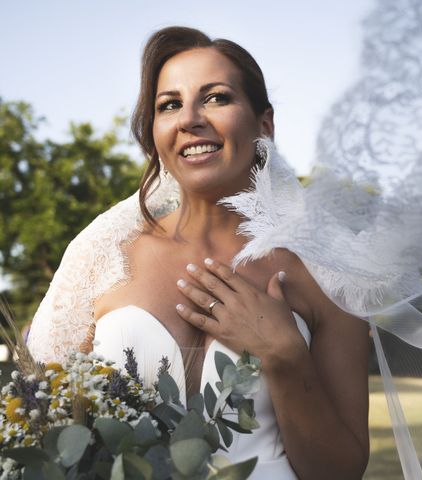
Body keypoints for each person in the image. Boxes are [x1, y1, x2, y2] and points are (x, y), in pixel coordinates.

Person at [27, 26, 370, 479]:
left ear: (264, 124)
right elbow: (39, 437)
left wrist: (285, 353)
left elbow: (340, 472)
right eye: (169, 105)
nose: (189, 118)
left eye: (216, 98)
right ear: (155, 132)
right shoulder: (101, 259)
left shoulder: (327, 276)